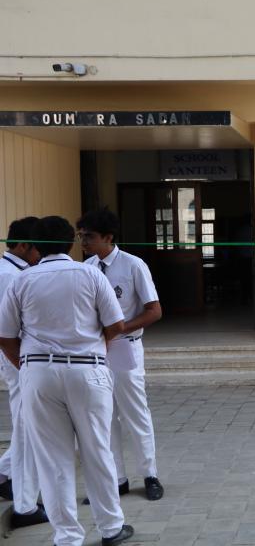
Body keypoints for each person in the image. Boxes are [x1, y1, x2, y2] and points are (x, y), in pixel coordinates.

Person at [0, 216, 134, 546]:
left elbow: (6, 337)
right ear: (72, 243)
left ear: (35, 246)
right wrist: (94, 347)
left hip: (39, 375)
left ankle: (67, 537)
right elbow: (116, 325)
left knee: (52, 459)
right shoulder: (90, 274)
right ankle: (111, 528)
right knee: (97, 451)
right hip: (87, 371)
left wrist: (27, 368)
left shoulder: (22, 280)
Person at [77, 208, 164, 502]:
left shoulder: (133, 265)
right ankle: (117, 479)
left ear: (108, 237)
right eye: (81, 236)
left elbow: (154, 311)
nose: (83, 242)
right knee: (103, 415)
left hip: (125, 345)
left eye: (89, 236)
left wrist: (120, 328)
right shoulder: (86, 267)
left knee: (135, 412)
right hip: (97, 349)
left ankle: (150, 475)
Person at [0, 216, 49, 530]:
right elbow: (8, 329)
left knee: (26, 423)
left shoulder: (14, 272)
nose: (40, 255)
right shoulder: (9, 276)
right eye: (36, 249)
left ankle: (5, 474)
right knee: (27, 425)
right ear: (21, 246)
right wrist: (25, 365)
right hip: (17, 357)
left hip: (21, 357)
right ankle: (25, 505)